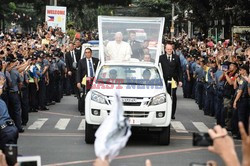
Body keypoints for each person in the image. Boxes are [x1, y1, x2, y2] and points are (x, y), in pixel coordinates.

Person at [159, 43, 182, 119]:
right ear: (165, 50)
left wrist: (180, 80)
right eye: (168, 49)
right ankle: (165, 112)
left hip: (173, 80)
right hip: (164, 80)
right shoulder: (161, 58)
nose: (169, 51)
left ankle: (172, 113)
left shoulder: (176, 57)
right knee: (165, 95)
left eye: (170, 49)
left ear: (172, 50)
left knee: (173, 95)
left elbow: (179, 69)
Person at [76, 48, 99, 115]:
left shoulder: (96, 60)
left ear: (91, 53)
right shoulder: (81, 61)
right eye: (86, 52)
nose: (87, 54)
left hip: (94, 80)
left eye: (88, 52)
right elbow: (78, 72)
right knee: (84, 95)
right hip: (86, 80)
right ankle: (82, 110)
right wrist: (78, 82)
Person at [0, 76, 19, 151]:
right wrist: (1, 84)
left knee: (8, 158)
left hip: (6, 130)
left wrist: (1, 84)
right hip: (8, 130)